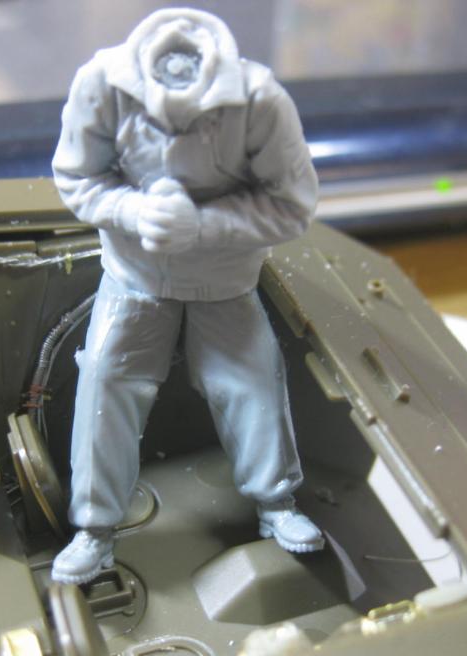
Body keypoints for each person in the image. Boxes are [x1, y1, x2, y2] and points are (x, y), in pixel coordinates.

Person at [50, 8, 323, 584]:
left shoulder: (259, 100)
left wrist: (204, 225)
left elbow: (292, 205)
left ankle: (276, 504)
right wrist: (132, 210)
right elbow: (76, 177)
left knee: (252, 380)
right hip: (134, 275)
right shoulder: (101, 83)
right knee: (104, 379)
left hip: (224, 279)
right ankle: (95, 529)